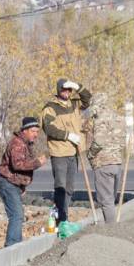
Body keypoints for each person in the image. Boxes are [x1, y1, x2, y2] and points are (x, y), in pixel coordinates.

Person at [39, 77, 92, 225]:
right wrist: (67, 135)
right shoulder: (50, 107)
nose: (67, 92)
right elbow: (48, 128)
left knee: (70, 188)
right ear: (58, 90)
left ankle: (64, 214)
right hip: (59, 153)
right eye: (64, 89)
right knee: (60, 187)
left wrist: (77, 86)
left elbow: (88, 99)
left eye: (69, 89)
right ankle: (60, 218)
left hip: (73, 152)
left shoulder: (75, 104)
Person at [0, 117, 48, 246]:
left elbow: (19, 171)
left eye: (37, 132)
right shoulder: (17, 144)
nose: (36, 135)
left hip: (14, 184)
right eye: (33, 131)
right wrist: (37, 163)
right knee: (16, 215)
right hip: (8, 183)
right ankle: (12, 246)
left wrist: (22, 187)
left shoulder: (25, 143)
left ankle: (16, 244)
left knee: (18, 214)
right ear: (24, 131)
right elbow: (18, 165)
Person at [86, 96, 125, 224]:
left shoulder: (100, 119)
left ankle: (111, 230)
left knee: (106, 200)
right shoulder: (119, 118)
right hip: (117, 162)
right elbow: (124, 141)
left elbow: (99, 141)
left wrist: (90, 154)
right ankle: (112, 224)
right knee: (111, 199)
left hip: (103, 163)